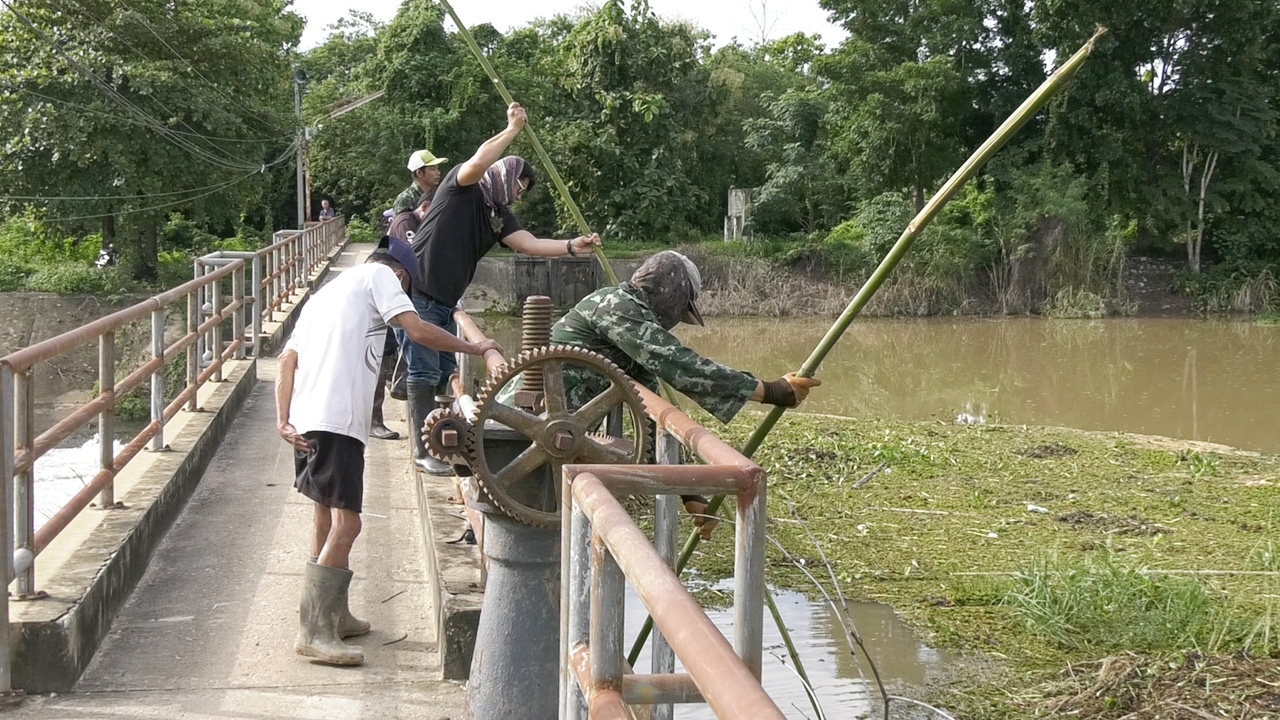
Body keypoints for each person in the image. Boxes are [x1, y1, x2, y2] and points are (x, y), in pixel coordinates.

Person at [275, 237, 502, 667]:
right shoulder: (381, 276)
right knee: (349, 524)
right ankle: (315, 631)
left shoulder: (326, 294)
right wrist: (476, 347)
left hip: (307, 417)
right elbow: (415, 329)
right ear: (401, 275)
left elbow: (286, 361)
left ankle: (331, 615)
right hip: (338, 418)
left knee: (325, 516)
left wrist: (283, 420)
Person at [517, 250, 821, 537]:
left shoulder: (630, 330)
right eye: (681, 309)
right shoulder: (617, 306)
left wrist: (689, 492)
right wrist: (769, 391)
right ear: (670, 292)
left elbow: (649, 419)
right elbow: (679, 364)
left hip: (550, 435)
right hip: (522, 430)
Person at [403, 102, 601, 474]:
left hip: (445, 301)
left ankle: (444, 441)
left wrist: (573, 246)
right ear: (506, 173)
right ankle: (423, 452)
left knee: (445, 372)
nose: (519, 194)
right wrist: (512, 130)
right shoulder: (462, 187)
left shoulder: (497, 214)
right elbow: (478, 160)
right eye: (519, 185)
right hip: (420, 292)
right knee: (423, 371)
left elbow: (527, 243)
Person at [393, 149, 448, 214]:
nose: (438, 173)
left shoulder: (440, 193)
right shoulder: (406, 199)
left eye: (437, 168)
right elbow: (404, 223)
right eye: (432, 169)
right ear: (419, 173)